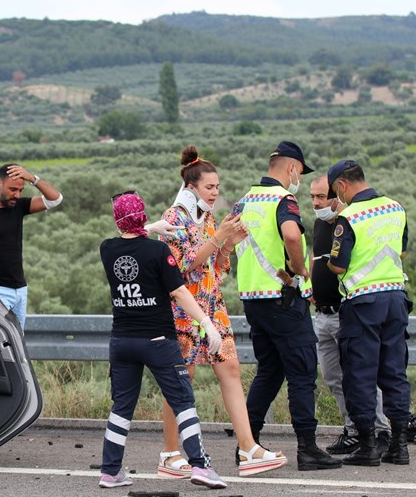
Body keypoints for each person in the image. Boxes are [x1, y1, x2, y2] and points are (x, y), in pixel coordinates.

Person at [158, 146, 287, 478]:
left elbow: (218, 267)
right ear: (192, 187)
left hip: (212, 305)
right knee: (181, 379)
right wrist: (219, 239)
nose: (215, 193)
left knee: (230, 369)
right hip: (183, 307)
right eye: (209, 187)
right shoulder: (175, 217)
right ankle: (170, 453)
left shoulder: (208, 216)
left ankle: (248, 448)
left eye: (217, 187)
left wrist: (228, 243)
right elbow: (185, 264)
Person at [98, 190, 227, 490]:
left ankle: (110, 471)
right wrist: (207, 323)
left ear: (118, 220)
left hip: (122, 340)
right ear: (143, 215)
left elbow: (125, 239)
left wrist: (148, 229)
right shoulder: (158, 253)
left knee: (122, 406)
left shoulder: (108, 250)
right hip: (158, 340)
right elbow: (180, 292)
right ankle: (200, 465)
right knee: (183, 400)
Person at [233, 141, 341, 471]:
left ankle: (247, 445)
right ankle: (307, 448)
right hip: (282, 299)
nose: (299, 179)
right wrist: (299, 269)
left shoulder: (244, 200)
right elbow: (292, 236)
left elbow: (227, 239)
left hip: (253, 300)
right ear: (291, 168)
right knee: (302, 372)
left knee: (269, 371)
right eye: (300, 172)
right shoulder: (283, 199)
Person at [326, 159, 411, 466]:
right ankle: (399, 446)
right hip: (396, 298)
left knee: (360, 375)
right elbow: (400, 251)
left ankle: (368, 447)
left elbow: (338, 265)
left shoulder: (348, 217)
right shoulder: (395, 207)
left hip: (362, 303)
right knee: (394, 372)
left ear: (342, 185)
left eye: (337, 192)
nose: (338, 199)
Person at [309, 175, 390, 455]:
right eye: (313, 197)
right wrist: (309, 285)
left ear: (337, 196)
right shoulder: (320, 225)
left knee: (361, 376)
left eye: (321, 197)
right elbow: (315, 257)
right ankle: (353, 430)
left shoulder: (350, 222)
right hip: (322, 313)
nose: (316, 203)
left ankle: (380, 431)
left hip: (348, 312)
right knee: (333, 377)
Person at [0, 164, 62, 330]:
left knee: (17, 343)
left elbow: (56, 199)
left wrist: (33, 179)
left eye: (21, 190)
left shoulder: (18, 207)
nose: (17, 194)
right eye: (13, 189)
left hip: (20, 290)